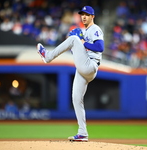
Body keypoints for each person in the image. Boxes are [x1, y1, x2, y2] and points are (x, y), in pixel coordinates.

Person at [37, 6, 104, 142]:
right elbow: (80, 51)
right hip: (84, 68)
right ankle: (83, 133)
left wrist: (81, 42)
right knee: (76, 98)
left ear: (93, 16)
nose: (84, 17)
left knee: (74, 39)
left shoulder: (95, 29)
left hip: (90, 65)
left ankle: (48, 56)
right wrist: (80, 45)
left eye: (87, 14)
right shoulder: (85, 32)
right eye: (82, 14)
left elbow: (100, 47)